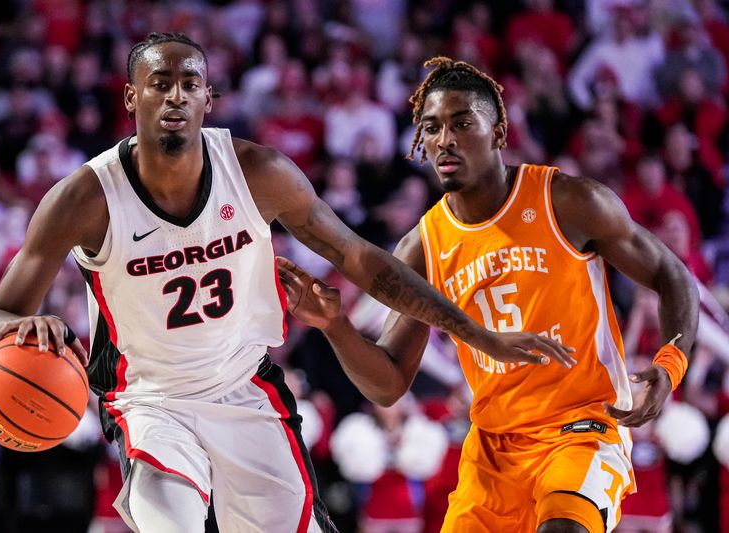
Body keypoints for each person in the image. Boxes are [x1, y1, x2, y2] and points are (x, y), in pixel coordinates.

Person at [0, 35, 572, 533]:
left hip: (244, 386)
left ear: (210, 97)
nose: (176, 95)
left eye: (190, 83)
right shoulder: (84, 198)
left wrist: (475, 333)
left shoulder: (258, 171)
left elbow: (362, 259)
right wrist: (24, 325)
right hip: (148, 398)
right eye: (160, 84)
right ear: (133, 97)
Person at [276, 56, 699, 533]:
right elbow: (389, 383)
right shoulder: (423, 246)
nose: (444, 139)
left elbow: (672, 273)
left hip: (581, 429)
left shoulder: (567, 201)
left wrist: (670, 367)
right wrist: (336, 326)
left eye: (462, 123)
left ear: (498, 132)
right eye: (431, 128)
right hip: (492, 452)